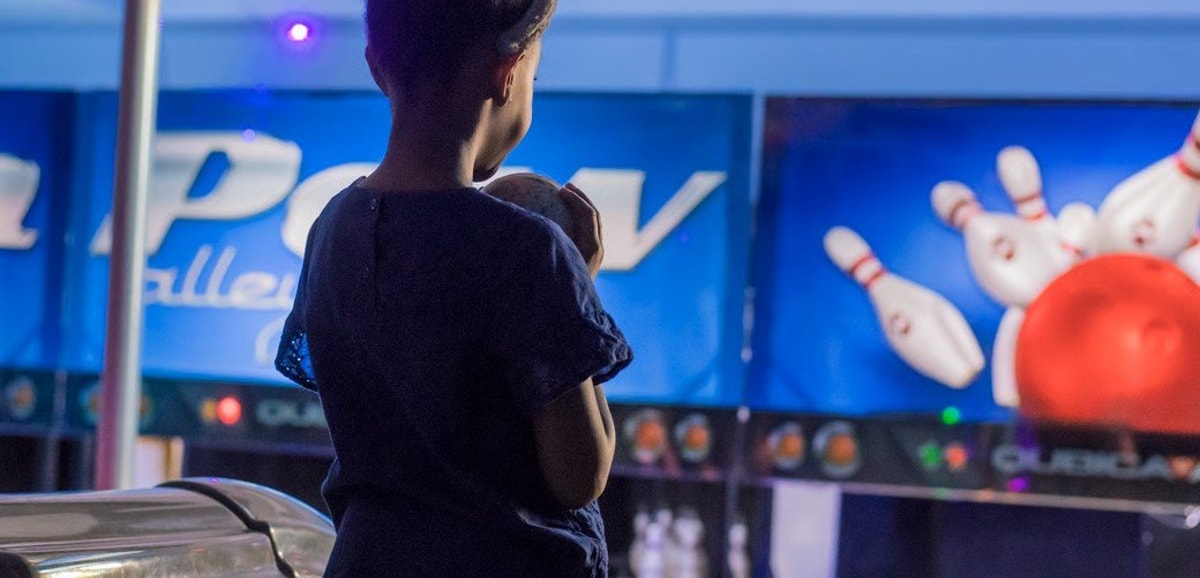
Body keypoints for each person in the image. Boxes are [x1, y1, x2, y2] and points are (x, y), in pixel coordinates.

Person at [274, 0, 633, 576]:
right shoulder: (528, 249)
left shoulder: (332, 229)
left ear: (377, 67)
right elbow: (579, 475)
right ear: (506, 73)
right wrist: (578, 295)